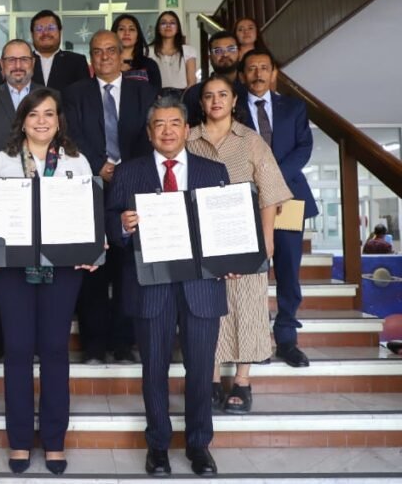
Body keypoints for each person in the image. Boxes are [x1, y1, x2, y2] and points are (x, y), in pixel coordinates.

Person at [0, 87, 100, 476]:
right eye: (34, 114)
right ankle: (18, 439)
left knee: (54, 349)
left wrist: (95, 247)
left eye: (49, 113)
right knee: (16, 349)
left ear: (59, 120)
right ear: (23, 121)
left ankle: (53, 439)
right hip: (12, 270)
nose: (42, 121)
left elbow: (90, 212)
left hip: (62, 268)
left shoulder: (77, 161)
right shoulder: (3, 160)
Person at [107, 95, 231, 477]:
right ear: (149, 132)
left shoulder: (214, 171)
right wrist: (122, 226)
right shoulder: (129, 172)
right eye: (159, 124)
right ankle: (158, 446)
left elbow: (227, 226)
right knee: (154, 369)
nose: (167, 131)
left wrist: (232, 259)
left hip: (201, 286)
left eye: (174, 123)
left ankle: (199, 445)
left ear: (187, 129)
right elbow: (109, 222)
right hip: (151, 286)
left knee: (201, 370)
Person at [187, 73, 292, 415]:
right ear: (201, 103)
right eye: (209, 95)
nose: (215, 101)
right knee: (208, 308)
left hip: (244, 237)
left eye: (223, 95)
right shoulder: (189, 139)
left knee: (247, 306)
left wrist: (267, 238)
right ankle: (212, 379)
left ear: (234, 101)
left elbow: (270, 192)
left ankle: (243, 381)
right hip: (202, 239)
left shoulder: (251, 140)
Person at [63, 30, 158, 364]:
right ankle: (93, 345)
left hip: (132, 190)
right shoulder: (75, 93)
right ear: (91, 57)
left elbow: (150, 136)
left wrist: (125, 172)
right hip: (89, 189)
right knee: (93, 270)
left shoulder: (144, 92)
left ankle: (122, 343)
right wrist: (97, 165)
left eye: (110, 50)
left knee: (127, 270)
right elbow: (70, 134)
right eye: (97, 51)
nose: (104, 56)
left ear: (121, 55)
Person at [239, 49, 318, 368]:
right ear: (242, 75)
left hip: (289, 198)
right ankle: (256, 339)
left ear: (273, 73)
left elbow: (304, 147)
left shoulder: (294, 107)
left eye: (264, 68)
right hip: (247, 198)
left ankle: (286, 338)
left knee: (287, 269)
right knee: (251, 272)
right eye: (251, 69)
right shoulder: (233, 107)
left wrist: (273, 180)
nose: (258, 74)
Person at [0, 38, 44, 363]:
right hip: (1, 194)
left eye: (23, 59)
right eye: (11, 60)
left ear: (33, 63)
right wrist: (6, 173)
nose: (18, 65)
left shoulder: (47, 96)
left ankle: (35, 345)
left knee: (38, 272)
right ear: (1, 65)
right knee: (2, 272)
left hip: (42, 195)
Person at [182, 30, 247, 127]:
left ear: (240, 53)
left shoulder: (249, 90)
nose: (225, 54)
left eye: (231, 49)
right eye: (218, 51)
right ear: (210, 57)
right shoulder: (194, 93)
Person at [29, 9, 90, 91]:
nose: (45, 33)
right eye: (39, 29)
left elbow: (85, 94)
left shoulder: (77, 62)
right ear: (32, 34)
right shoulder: (22, 62)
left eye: (51, 28)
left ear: (60, 32)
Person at [150, 11, 197, 97]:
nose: (168, 26)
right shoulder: (148, 51)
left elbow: (192, 83)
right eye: (163, 23)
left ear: (178, 28)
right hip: (155, 97)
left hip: (182, 97)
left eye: (172, 23)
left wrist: (184, 100)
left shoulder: (188, 50)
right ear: (158, 28)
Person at [111, 13, 161, 90]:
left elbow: (156, 94)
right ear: (114, 34)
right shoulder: (106, 64)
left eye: (131, 29)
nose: (126, 33)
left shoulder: (150, 65)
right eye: (121, 29)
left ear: (137, 37)